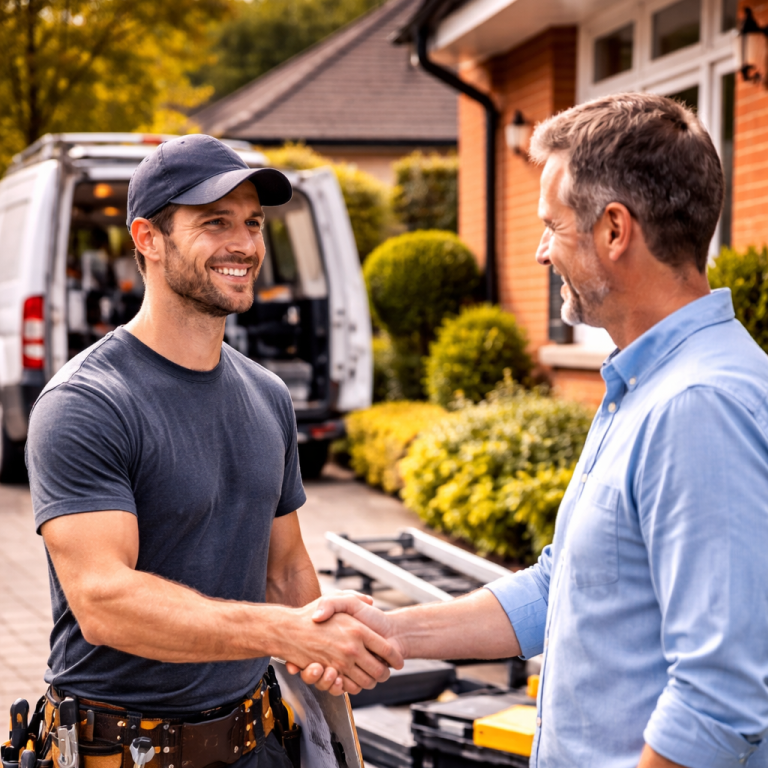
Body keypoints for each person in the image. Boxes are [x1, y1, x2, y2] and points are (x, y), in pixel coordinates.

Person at [292, 93, 768, 768]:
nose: (541, 251)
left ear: (613, 230)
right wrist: (388, 630)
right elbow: (562, 588)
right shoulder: (645, 386)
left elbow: (717, 700)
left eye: (553, 224)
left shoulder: (699, 407)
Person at [25, 134, 402, 768]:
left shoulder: (267, 395)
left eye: (253, 222)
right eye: (215, 222)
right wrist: (281, 631)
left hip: (259, 744)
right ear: (147, 238)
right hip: (122, 753)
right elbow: (104, 602)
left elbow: (285, 573)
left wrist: (340, 737)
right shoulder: (87, 403)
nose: (246, 245)